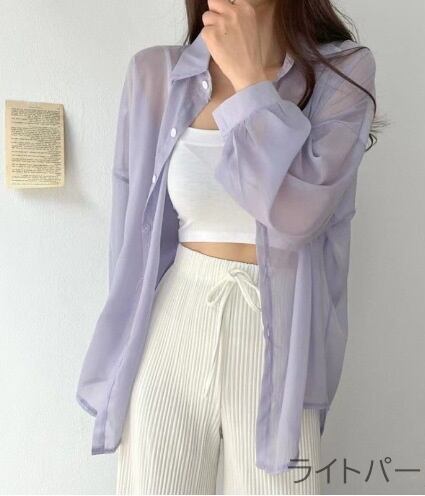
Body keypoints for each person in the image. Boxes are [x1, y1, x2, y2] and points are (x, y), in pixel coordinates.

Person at [76, 0, 380, 493]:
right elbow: (129, 244)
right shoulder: (156, 73)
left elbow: (298, 218)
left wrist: (249, 81)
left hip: (279, 341)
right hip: (173, 327)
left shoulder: (341, 72)